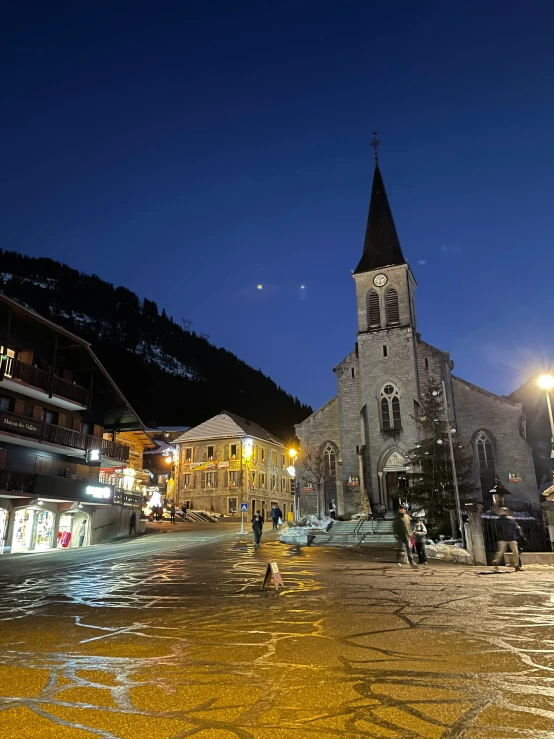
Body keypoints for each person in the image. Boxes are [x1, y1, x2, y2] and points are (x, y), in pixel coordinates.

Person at [493, 507, 523, 572]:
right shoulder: (512, 519)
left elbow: (496, 529)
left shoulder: (498, 520)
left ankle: (496, 563)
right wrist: (519, 535)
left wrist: (498, 537)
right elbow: (517, 528)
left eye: (501, 511)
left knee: (501, 552)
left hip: (502, 538)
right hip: (512, 537)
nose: (500, 512)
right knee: (515, 552)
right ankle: (517, 566)